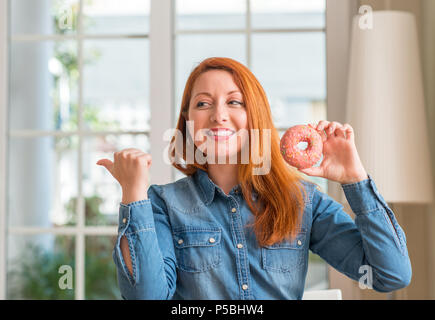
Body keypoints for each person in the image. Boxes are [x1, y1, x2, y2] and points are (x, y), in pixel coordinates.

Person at [97, 57, 411, 300]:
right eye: (203, 103)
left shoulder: (304, 200)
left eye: (234, 102)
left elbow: (390, 275)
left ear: (254, 116)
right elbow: (146, 295)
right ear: (188, 122)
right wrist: (133, 195)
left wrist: (355, 179)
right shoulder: (162, 203)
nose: (218, 115)